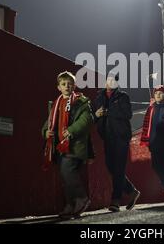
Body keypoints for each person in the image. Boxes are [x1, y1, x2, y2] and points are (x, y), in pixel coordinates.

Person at [42, 71, 95, 219]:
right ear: (58, 87)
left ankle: (81, 199)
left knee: (67, 172)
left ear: (74, 86)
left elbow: (87, 120)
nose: (67, 86)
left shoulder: (81, 102)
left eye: (69, 84)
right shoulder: (56, 104)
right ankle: (70, 206)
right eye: (63, 84)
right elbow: (48, 124)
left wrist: (71, 130)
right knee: (65, 177)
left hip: (74, 145)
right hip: (59, 147)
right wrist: (46, 132)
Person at [94, 73, 140, 212]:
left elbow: (127, 114)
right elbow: (94, 116)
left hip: (121, 136)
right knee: (110, 167)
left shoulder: (123, 96)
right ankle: (131, 191)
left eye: (114, 80)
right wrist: (97, 115)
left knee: (119, 167)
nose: (111, 82)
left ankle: (116, 200)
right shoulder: (99, 97)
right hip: (108, 137)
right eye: (109, 79)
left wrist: (108, 111)